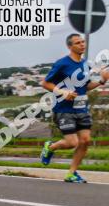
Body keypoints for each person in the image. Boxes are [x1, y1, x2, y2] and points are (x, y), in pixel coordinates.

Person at [40, 33, 109, 183]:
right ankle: (50, 147)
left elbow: (86, 86)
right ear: (70, 46)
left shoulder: (86, 65)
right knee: (72, 143)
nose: (82, 44)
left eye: (83, 42)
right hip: (63, 110)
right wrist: (62, 92)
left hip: (81, 109)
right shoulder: (62, 64)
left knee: (85, 141)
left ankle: (71, 173)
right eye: (78, 43)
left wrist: (101, 81)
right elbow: (45, 83)